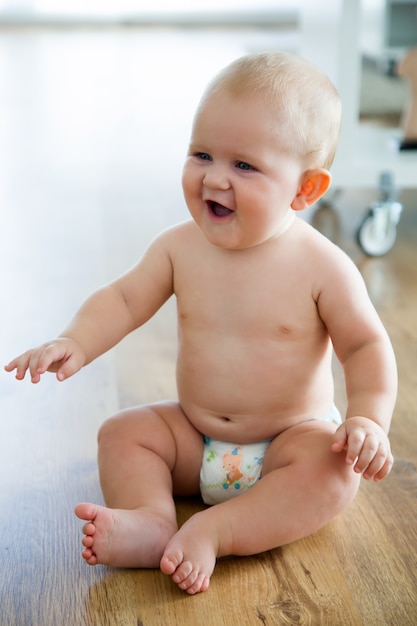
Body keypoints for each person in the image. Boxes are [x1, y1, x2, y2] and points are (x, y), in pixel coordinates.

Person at [4, 51, 397, 595]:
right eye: (202, 153)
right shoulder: (179, 248)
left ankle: (220, 529)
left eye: (244, 165)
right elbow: (122, 299)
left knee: (334, 473)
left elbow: (364, 346)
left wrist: (369, 420)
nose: (214, 177)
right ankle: (150, 519)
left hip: (289, 441)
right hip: (196, 436)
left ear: (305, 189)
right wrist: (75, 340)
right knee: (125, 433)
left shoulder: (322, 266)